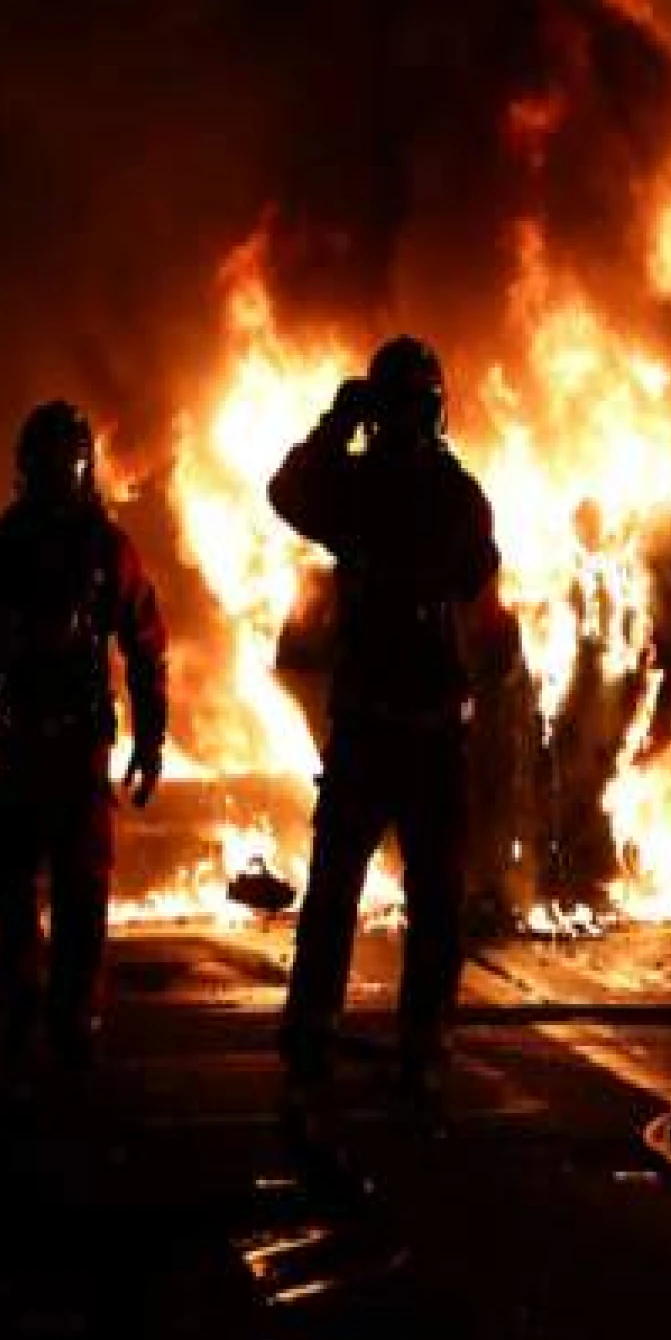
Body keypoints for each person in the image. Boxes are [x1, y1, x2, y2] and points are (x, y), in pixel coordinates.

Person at [269, 336, 500, 1103]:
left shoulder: (380, 492)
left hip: (401, 727)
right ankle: (396, 1036)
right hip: (400, 728)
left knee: (377, 890)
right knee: (394, 893)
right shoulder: (433, 494)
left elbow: (294, 491)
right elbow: (289, 493)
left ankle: (342, 1031)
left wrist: (341, 427)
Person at [0, 400, 168, 1071]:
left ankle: (70, 1016)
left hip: (75, 749)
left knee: (82, 893)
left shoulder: (104, 548)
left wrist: (151, 739)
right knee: (6, 882)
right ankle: (26, 994)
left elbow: (145, 645)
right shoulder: (5, 548)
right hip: (21, 746)